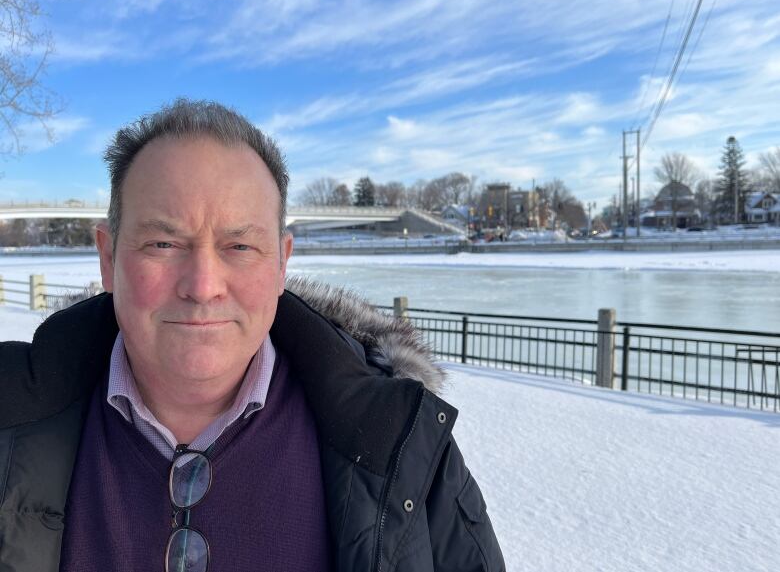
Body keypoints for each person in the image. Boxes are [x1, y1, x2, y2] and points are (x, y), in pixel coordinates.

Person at [0, 99, 504, 571]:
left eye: (239, 246)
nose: (202, 286)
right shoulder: (9, 423)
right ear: (108, 259)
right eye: (162, 242)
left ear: (283, 262)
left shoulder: (399, 443)